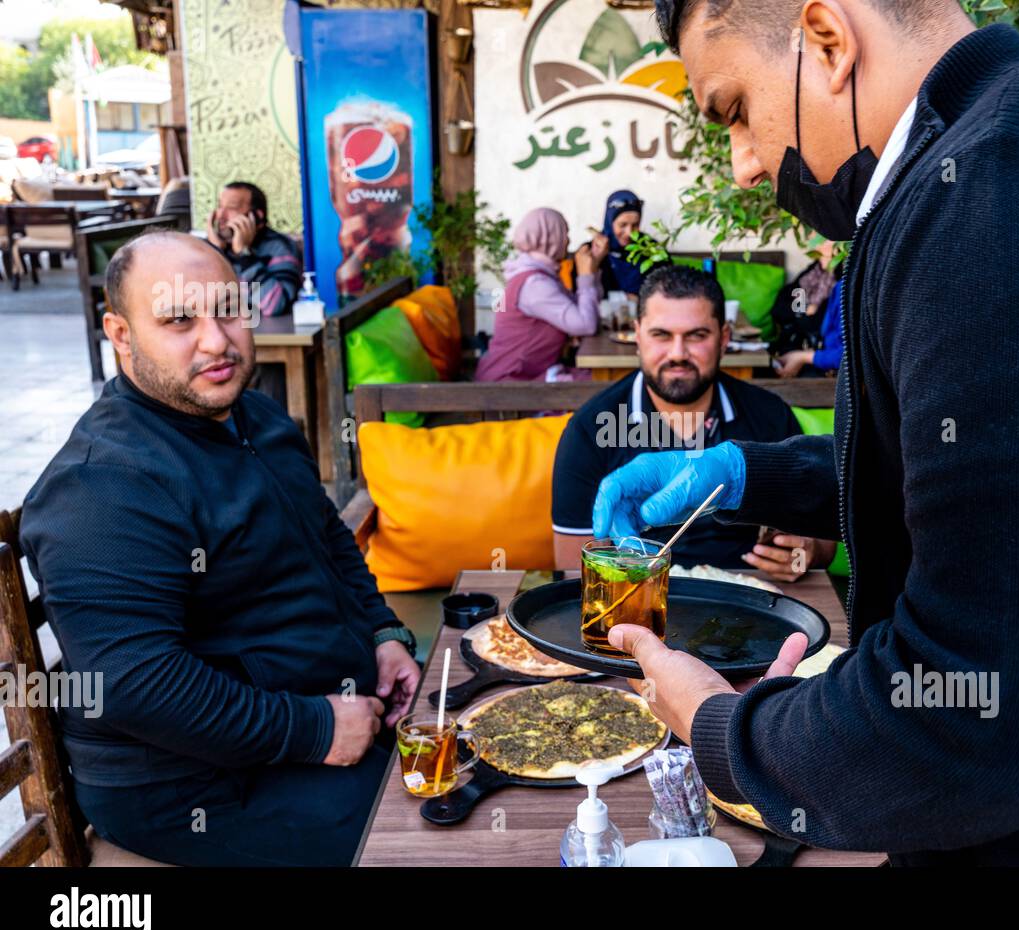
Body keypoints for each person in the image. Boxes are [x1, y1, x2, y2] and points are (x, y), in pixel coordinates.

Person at [592, 1, 1019, 865]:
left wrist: (724, 730)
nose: (742, 164)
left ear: (826, 38)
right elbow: (1011, 479)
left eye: (735, 108)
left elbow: (974, 710)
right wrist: (746, 472)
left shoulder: (1016, 185)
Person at [21, 232, 420, 866]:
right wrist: (315, 730)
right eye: (179, 319)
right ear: (120, 335)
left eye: (228, 309)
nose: (216, 340)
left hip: (327, 712)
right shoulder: (102, 486)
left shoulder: (254, 416)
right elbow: (134, 684)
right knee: (453, 838)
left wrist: (381, 632)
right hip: (195, 787)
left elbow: (327, 538)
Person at [552, 265, 836, 576]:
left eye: (696, 335)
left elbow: (822, 544)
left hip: (749, 597)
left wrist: (804, 554)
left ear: (724, 337)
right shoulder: (591, 429)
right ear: (637, 335)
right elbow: (572, 567)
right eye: (661, 335)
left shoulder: (770, 416)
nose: (678, 354)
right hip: (637, 600)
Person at [475, 207, 607, 382]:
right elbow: (585, 325)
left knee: (604, 383)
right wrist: (584, 276)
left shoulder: (540, 275)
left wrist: (593, 267)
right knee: (604, 387)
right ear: (550, 237)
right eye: (564, 233)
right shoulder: (536, 285)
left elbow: (584, 313)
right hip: (510, 384)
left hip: (530, 376)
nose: (568, 241)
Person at [204, 180, 302, 319]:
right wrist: (215, 254)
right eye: (219, 206)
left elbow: (274, 305)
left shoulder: (280, 248)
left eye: (231, 207)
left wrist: (244, 255)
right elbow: (198, 305)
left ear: (257, 217)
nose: (220, 215)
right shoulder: (209, 247)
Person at [776, 277, 843, 377]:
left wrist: (803, 357)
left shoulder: (850, 287)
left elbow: (849, 356)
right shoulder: (840, 286)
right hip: (820, 354)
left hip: (836, 372)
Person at [598, 189, 646, 298]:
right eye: (622, 225)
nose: (629, 233)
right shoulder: (592, 251)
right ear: (610, 222)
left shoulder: (651, 250)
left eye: (635, 225)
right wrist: (596, 260)